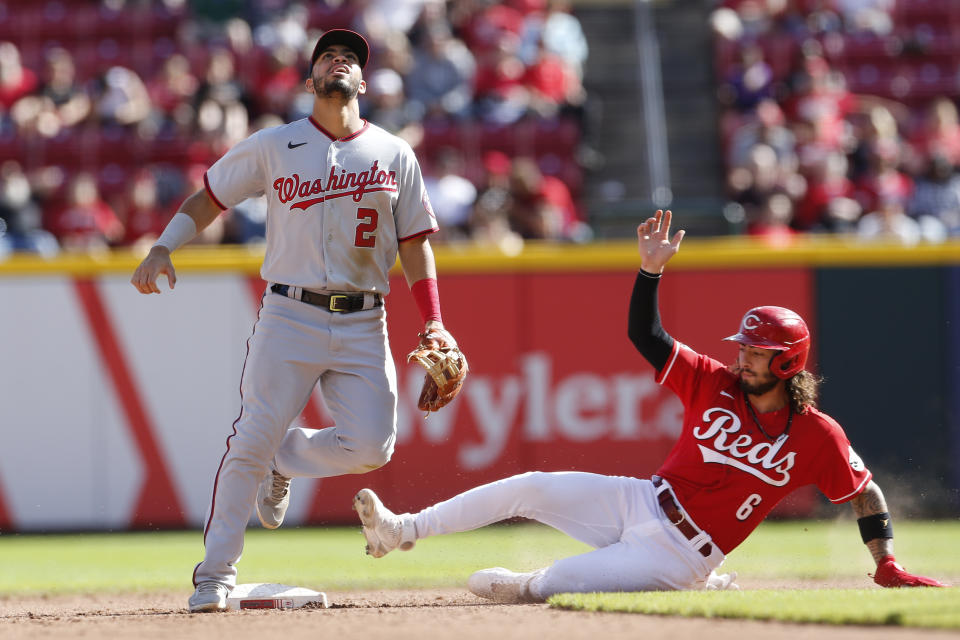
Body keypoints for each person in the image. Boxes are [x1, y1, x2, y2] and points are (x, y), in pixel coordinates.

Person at [353, 209, 947, 603]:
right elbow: (647, 336)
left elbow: (863, 491)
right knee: (529, 485)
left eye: (757, 353)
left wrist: (885, 560)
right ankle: (398, 530)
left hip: (680, 554)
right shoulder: (715, 382)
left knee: (550, 585)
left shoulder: (817, 434)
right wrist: (649, 273)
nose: (743, 358)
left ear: (788, 363)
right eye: (743, 348)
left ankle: (536, 584)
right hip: (640, 498)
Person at [130, 29, 461, 612]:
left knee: (372, 446)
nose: (340, 63)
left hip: (364, 319)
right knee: (250, 439)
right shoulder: (273, 145)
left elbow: (415, 244)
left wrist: (434, 321)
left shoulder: (393, 153)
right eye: (328, 57)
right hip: (289, 313)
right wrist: (163, 245)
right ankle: (215, 574)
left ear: (363, 82)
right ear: (310, 81)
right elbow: (208, 197)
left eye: (351, 59)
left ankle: (285, 459)